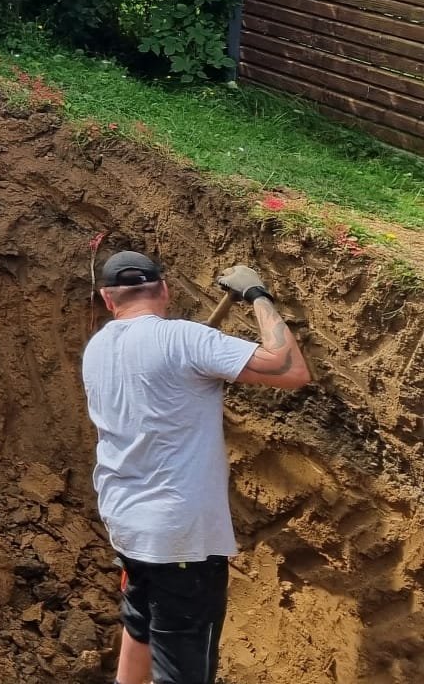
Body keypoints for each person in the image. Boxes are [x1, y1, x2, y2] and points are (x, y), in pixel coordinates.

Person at [81, 250, 312, 684]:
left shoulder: (98, 349)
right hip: (181, 540)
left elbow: (164, 371)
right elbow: (289, 368)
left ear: (108, 300)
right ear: (164, 291)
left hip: (127, 525)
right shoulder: (185, 340)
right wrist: (258, 295)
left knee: (141, 625)